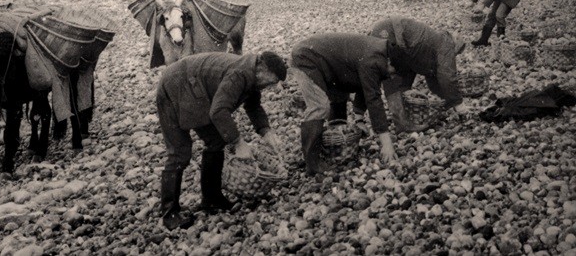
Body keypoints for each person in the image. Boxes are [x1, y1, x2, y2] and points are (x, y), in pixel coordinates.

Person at [156, 51, 287, 230]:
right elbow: (218, 111)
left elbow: (253, 106)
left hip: (193, 86)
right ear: (262, 69)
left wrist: (266, 131)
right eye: (271, 82)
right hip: (176, 84)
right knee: (179, 152)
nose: (270, 87)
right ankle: (169, 213)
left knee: (217, 141)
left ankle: (211, 199)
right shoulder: (240, 74)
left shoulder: (252, 74)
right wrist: (239, 143)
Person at [290, 33, 399, 173]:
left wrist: (359, 119)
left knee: (339, 96)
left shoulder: (379, 55)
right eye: (393, 71)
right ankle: (312, 163)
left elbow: (366, 85)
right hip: (305, 57)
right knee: (319, 106)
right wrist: (387, 144)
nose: (392, 76)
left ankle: (334, 147)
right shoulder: (373, 60)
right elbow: (373, 99)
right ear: (389, 61)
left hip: (331, 65)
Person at [370, 16, 469, 132]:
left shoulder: (430, 51)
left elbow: (434, 82)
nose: (454, 57)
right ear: (455, 43)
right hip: (393, 33)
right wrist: (460, 105)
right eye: (455, 53)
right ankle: (402, 123)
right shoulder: (446, 44)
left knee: (394, 79)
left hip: (399, 44)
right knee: (389, 73)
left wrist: (445, 104)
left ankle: (402, 123)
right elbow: (447, 77)